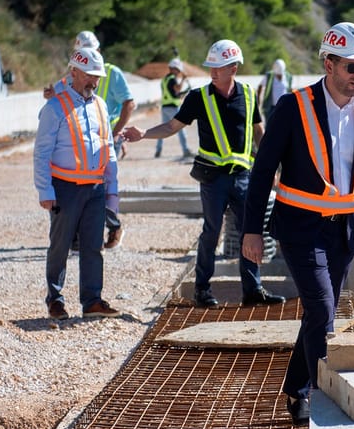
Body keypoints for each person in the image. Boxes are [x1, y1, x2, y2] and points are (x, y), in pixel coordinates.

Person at [242, 21, 354, 425]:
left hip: (345, 233)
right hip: (300, 228)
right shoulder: (292, 107)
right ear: (329, 63)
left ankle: (294, 388)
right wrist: (251, 230)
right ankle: (322, 397)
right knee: (324, 308)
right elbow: (262, 171)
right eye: (351, 67)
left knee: (315, 313)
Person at [121, 38, 285, 309]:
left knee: (250, 231)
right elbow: (173, 126)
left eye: (218, 67)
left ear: (233, 68)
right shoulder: (198, 97)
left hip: (243, 176)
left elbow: (258, 133)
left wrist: (274, 166)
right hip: (214, 179)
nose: (212, 71)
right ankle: (202, 289)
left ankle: (253, 289)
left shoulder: (247, 94)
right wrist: (144, 134)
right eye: (211, 66)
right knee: (212, 231)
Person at [33, 46, 122, 320]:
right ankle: (55, 300)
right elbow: (42, 152)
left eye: (98, 77)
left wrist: (112, 193)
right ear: (74, 72)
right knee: (60, 246)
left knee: (93, 246)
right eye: (90, 76)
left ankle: (92, 300)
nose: (95, 82)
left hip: (95, 188)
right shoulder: (54, 107)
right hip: (65, 188)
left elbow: (108, 148)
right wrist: (45, 190)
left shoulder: (100, 105)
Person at [45, 30, 135, 249]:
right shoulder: (73, 74)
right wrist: (53, 91)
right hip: (80, 137)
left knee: (104, 188)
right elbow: (50, 93)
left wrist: (116, 133)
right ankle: (77, 238)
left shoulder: (112, 73)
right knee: (78, 186)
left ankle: (113, 226)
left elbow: (129, 103)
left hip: (104, 137)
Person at [155, 57, 192, 160]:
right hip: (173, 108)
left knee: (162, 129)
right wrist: (184, 80)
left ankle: (158, 150)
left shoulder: (165, 79)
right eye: (178, 70)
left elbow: (173, 92)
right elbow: (177, 90)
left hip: (165, 107)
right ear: (173, 68)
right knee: (180, 129)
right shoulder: (172, 78)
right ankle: (185, 150)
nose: (179, 72)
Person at [258, 58, 293, 127]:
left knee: (283, 126)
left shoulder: (288, 77)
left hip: (284, 106)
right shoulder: (269, 76)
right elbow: (260, 86)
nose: (279, 76)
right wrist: (259, 101)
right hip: (270, 107)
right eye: (277, 75)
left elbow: (290, 89)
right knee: (270, 126)